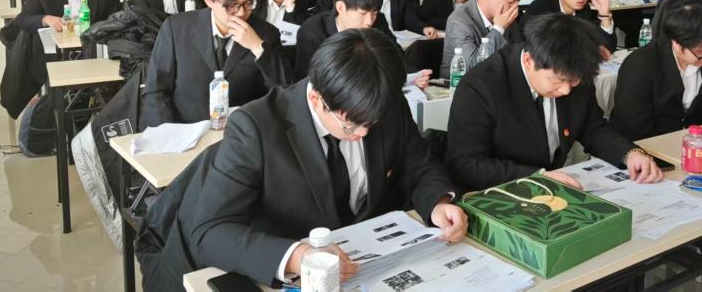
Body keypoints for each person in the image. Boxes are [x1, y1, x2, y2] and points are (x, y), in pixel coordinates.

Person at [141, 29, 467, 290]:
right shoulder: (256, 128)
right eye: (352, 125)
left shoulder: (384, 104)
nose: (365, 133)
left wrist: (437, 203)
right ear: (316, 97)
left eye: (373, 123)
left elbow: (418, 164)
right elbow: (210, 232)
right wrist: (298, 256)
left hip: (365, 264)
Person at [445, 14, 664, 193]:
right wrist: (537, 177)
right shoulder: (481, 86)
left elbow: (593, 129)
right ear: (529, 61)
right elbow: (465, 164)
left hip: (555, 189)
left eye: (573, 81)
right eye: (558, 81)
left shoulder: (576, 75)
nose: (567, 90)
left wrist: (630, 154)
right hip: (498, 193)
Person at [141, 0, 284, 127]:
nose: (241, 13)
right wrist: (169, 133)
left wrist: (258, 48)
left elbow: (282, 93)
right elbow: (156, 90)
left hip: (241, 132)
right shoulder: (177, 28)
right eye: (231, 5)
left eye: (248, 3)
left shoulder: (266, 34)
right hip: (186, 130)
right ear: (209, 0)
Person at [610, 0, 702, 141]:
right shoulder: (640, 65)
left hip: (695, 143)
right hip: (645, 145)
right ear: (677, 43)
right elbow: (634, 127)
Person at [294, 0, 394, 81]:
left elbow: (395, 59)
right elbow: (306, 80)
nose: (369, 22)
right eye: (362, 13)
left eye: (374, 13)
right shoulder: (312, 32)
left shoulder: (379, 21)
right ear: (341, 7)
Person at [440, 0, 525, 78]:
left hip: (497, 81)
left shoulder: (505, 16)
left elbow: (520, 54)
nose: (515, 8)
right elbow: (472, 68)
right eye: (511, 1)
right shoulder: (459, 20)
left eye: (517, 2)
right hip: (459, 85)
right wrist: (498, 28)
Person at [525, 0, 616, 56]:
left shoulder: (585, 10)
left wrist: (604, 14)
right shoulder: (541, 7)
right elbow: (541, 48)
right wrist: (590, 48)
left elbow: (609, 48)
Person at [252, 0, 315, 77]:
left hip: (288, 63)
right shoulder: (254, 2)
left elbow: (300, 40)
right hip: (258, 63)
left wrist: (290, 9)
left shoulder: (301, 1)